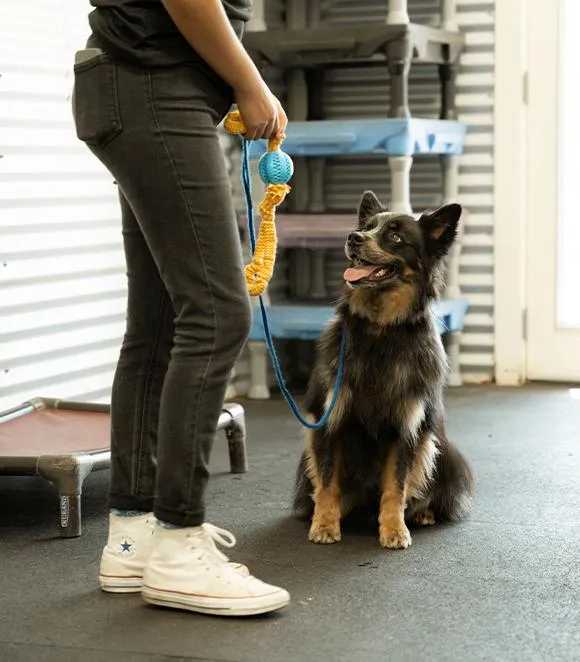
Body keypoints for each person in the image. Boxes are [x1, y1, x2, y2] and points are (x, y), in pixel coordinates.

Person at [72, 0, 290, 617]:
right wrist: (247, 81)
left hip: (136, 86)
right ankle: (178, 541)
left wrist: (240, 82)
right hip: (153, 87)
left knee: (160, 321)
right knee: (219, 315)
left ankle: (135, 534)